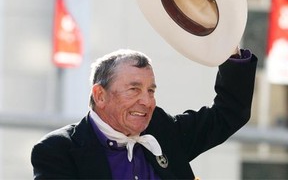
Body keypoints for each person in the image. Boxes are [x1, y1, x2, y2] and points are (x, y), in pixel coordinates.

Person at [31, 48, 257, 180]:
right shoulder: (57, 150)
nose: (147, 101)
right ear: (100, 95)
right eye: (134, 90)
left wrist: (230, 51)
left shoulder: (161, 128)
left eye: (151, 90)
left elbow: (228, 114)